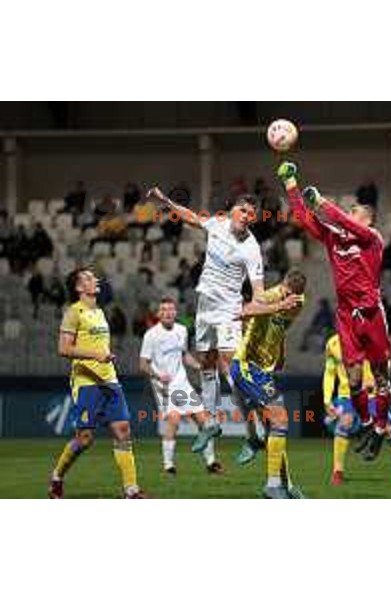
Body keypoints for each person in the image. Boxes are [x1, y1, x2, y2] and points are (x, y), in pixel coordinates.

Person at [146, 187, 299, 465]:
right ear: (231, 212)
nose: (247, 217)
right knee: (207, 364)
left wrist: (277, 305)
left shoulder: (251, 248)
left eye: (252, 215)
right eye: (243, 211)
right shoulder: (216, 224)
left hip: (229, 310)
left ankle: (253, 434)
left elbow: (258, 295)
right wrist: (166, 202)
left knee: (234, 372)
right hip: (204, 306)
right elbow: (192, 217)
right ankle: (210, 424)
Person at [278, 161, 391, 461]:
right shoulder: (333, 237)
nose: (348, 217)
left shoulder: (372, 238)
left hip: (370, 313)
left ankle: (380, 429)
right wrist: (291, 185)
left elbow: (344, 220)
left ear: (367, 220)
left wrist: (323, 203)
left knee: (380, 377)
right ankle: (368, 425)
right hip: (345, 314)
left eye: (353, 213)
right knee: (353, 379)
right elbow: (303, 218)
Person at [48, 268, 146, 498]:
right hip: (86, 382)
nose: (95, 279)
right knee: (85, 438)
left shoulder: (100, 312)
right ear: (79, 287)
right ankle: (57, 477)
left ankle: (131, 490)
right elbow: (63, 349)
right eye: (89, 278)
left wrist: (105, 360)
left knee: (123, 430)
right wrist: (95, 355)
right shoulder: (73, 312)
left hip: (109, 379)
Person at [230, 269, 307, 498]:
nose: (288, 298)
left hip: (264, 370)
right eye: (286, 293)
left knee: (276, 426)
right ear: (282, 285)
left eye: (292, 296)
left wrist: (281, 353)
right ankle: (273, 485)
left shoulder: (298, 303)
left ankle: (286, 485)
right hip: (246, 365)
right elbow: (245, 311)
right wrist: (278, 305)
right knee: (280, 419)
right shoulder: (269, 296)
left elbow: (281, 327)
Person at [140, 297, 222, 475]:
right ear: (158, 314)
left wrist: (199, 367)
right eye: (164, 310)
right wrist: (157, 376)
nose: (168, 313)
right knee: (174, 421)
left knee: (203, 421)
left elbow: (184, 355)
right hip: (164, 386)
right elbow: (143, 364)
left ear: (176, 313)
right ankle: (169, 466)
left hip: (182, 382)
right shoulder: (151, 335)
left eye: (171, 309)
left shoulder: (182, 330)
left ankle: (211, 463)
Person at [322, 332, 391, 486]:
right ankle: (337, 472)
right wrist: (327, 400)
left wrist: (377, 379)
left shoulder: (373, 337)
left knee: (387, 428)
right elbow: (330, 372)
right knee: (345, 422)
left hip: (372, 394)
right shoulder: (333, 343)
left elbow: (386, 362)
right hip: (347, 395)